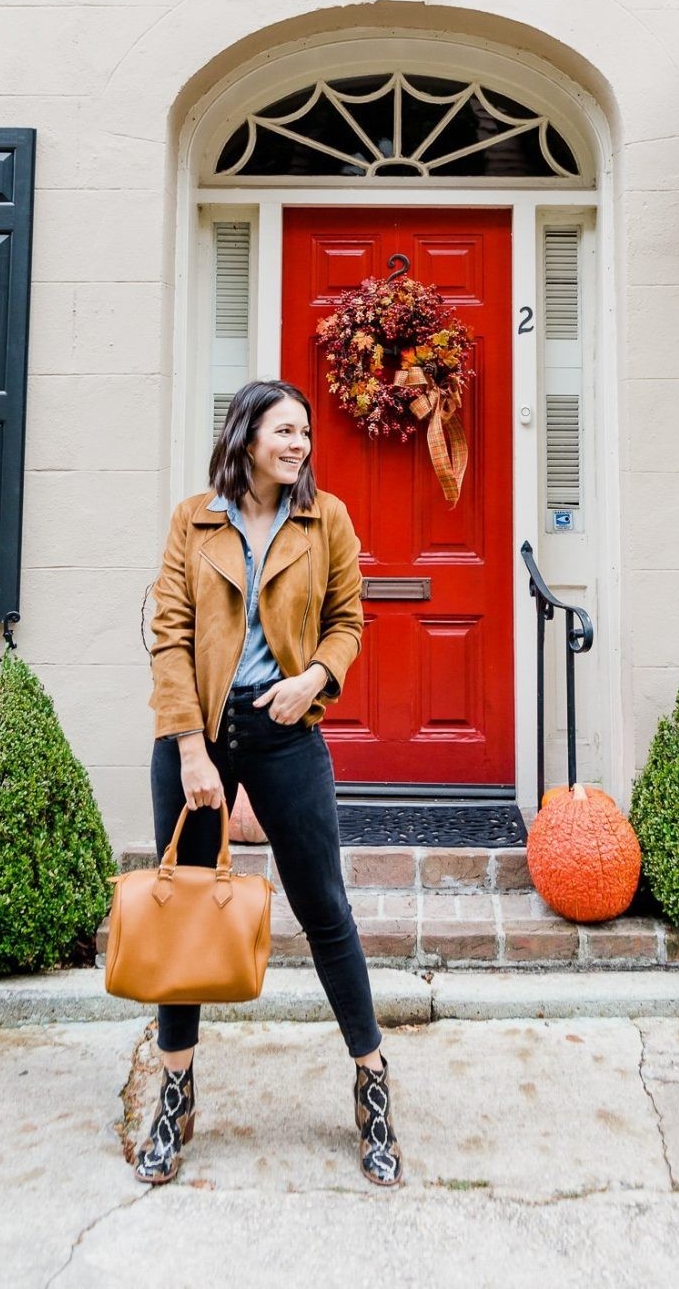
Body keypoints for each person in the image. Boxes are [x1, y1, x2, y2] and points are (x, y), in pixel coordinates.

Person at [136, 378, 402, 1188]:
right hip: (199, 738)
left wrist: (314, 677)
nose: (298, 445)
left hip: (287, 732)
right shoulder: (196, 519)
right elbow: (170, 634)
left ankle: (373, 1084)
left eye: (304, 434)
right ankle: (174, 1092)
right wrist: (189, 748)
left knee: (324, 909)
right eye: (283, 431)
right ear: (246, 435)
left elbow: (350, 620)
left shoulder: (329, 522)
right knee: (184, 907)